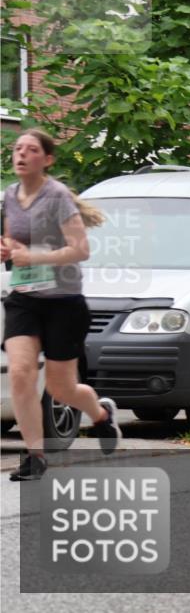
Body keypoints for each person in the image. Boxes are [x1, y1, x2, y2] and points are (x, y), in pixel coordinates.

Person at [1, 129, 121, 481]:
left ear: (47, 159)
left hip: (63, 300)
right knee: (21, 372)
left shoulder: (56, 197)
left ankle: (100, 416)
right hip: (24, 298)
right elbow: (14, 239)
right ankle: (35, 455)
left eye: (32, 149)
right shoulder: (10, 194)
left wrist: (34, 255)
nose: (21, 154)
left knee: (60, 388)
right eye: (17, 148)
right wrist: (8, 249)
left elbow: (81, 250)